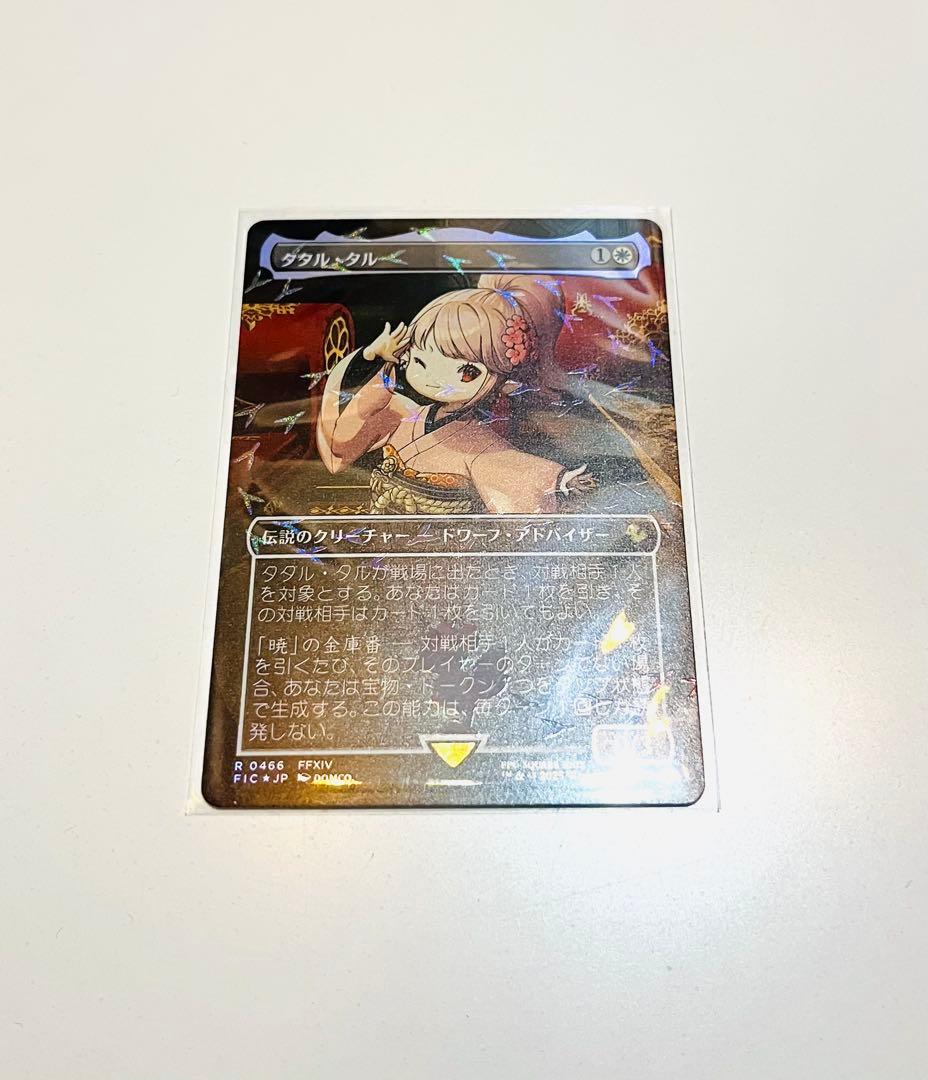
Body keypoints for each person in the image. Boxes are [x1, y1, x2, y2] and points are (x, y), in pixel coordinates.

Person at [317, 274, 592, 514]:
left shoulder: (478, 443)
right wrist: (369, 357)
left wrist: (559, 481)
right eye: (420, 362)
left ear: (504, 380)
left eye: (467, 372)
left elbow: (512, 467)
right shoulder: (401, 411)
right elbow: (341, 444)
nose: (435, 380)